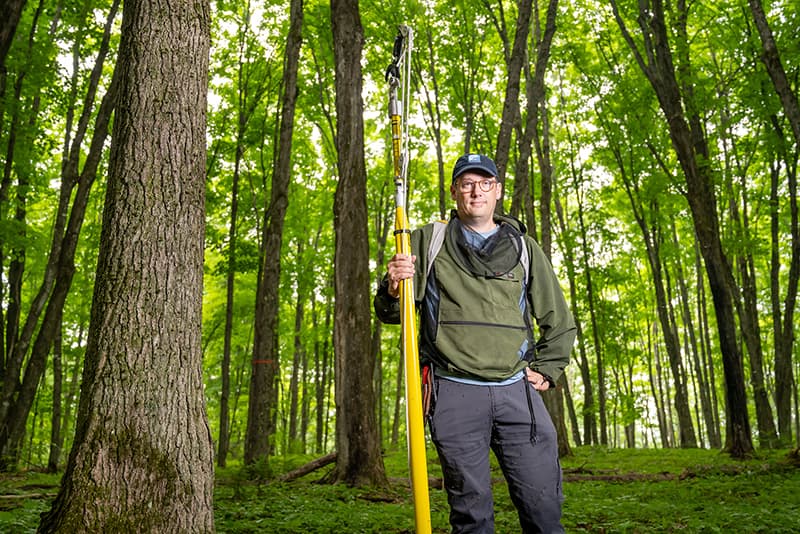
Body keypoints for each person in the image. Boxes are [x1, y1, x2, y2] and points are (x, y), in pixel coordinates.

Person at [374, 153, 576, 533]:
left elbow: (559, 321)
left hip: (517, 393)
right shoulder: (426, 240)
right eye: (467, 184)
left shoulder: (524, 247)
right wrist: (391, 286)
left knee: (544, 509)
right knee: (471, 516)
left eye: (485, 183)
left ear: (497, 191)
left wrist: (548, 370)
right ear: (454, 192)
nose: (476, 191)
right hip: (454, 392)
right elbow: (392, 313)